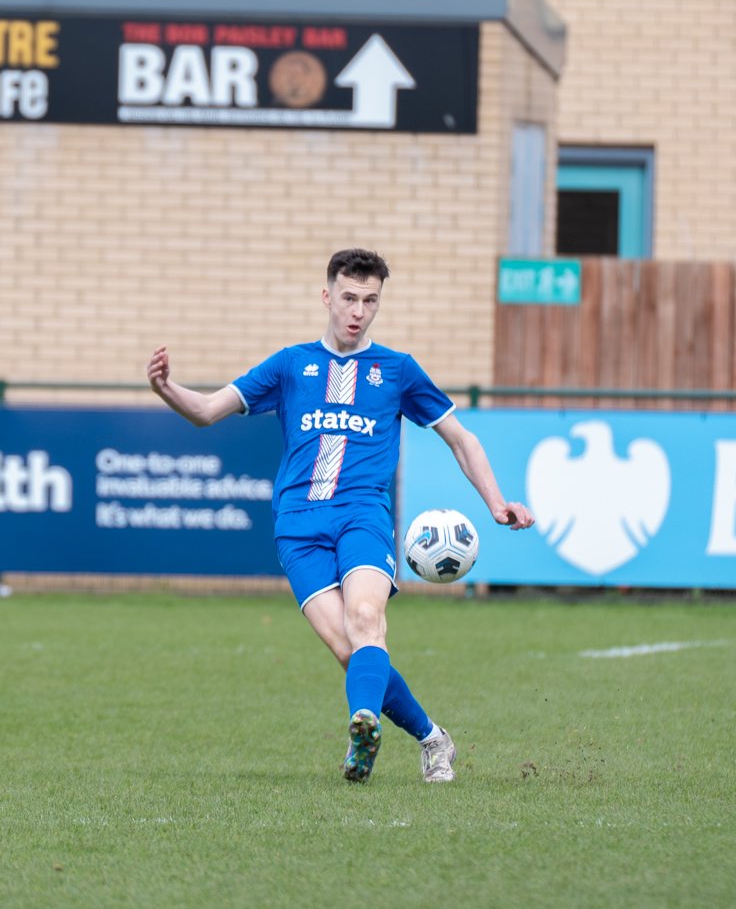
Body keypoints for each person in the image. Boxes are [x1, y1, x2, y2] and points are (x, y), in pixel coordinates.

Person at [147, 248, 534, 783]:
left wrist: (496, 502)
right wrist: (166, 388)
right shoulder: (290, 365)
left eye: (370, 301)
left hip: (362, 516)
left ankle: (363, 728)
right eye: (349, 298)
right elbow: (207, 411)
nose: (358, 311)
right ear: (326, 296)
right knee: (350, 651)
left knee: (366, 619)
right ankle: (432, 738)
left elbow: (461, 439)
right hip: (298, 527)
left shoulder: (398, 370)